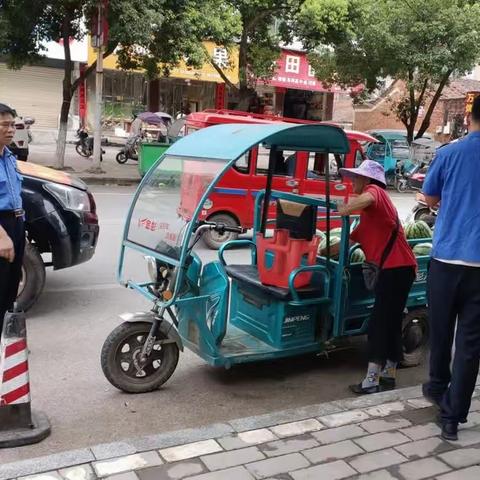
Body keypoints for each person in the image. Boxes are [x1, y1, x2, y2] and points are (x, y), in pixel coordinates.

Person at [422, 95, 480, 441]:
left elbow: (429, 199)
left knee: (441, 331)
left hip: (446, 260)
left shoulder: (449, 153)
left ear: (470, 117)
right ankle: (452, 419)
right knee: (471, 344)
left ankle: (436, 387)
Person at [333, 160, 417, 394]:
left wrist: (344, 208)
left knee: (378, 324)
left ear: (368, 179)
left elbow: (367, 199)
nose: (352, 182)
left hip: (397, 268)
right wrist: (315, 251)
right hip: (396, 270)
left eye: (356, 177)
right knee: (389, 324)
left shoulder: (375, 192)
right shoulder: (368, 218)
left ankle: (371, 380)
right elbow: (345, 242)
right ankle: (388, 376)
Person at [0, 103, 25, 336]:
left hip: (16, 225)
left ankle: (5, 342)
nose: (11, 130)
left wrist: (20, 226)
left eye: (12, 125)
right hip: (1, 228)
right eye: (5, 125)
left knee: (10, 287)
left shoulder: (9, 156)